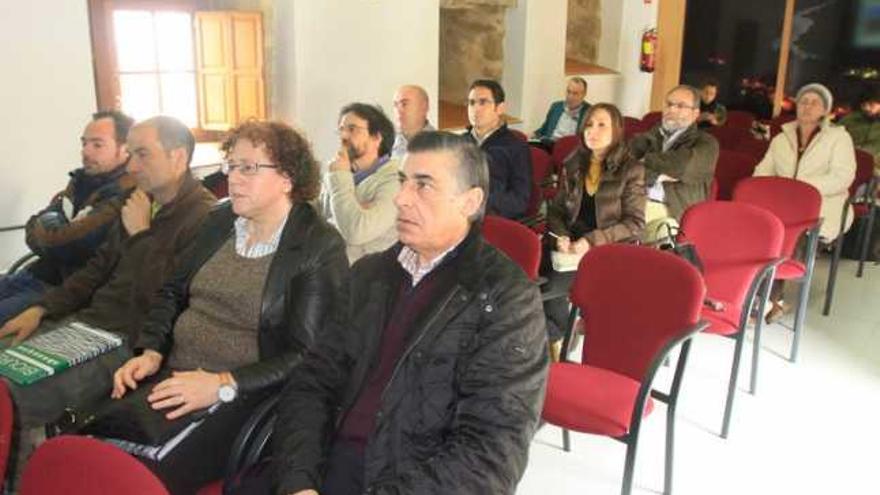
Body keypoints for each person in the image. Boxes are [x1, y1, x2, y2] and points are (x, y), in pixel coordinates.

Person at [272, 131, 548, 495]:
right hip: (326, 465)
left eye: (423, 186)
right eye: (403, 182)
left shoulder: (507, 300)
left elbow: (490, 452)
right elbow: (313, 382)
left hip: (413, 479)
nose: (401, 199)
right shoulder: (368, 275)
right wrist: (298, 480)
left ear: (470, 201)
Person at [109, 120, 349, 493]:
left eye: (249, 168)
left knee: (134, 477)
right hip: (175, 374)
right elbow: (173, 291)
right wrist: (152, 349)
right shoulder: (220, 220)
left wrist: (223, 384)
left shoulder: (318, 246)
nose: (233, 179)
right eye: (231, 166)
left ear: (287, 178)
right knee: (95, 446)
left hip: (242, 395)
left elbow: (308, 355)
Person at [0, 116, 216, 432]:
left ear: (178, 157)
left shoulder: (207, 217)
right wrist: (41, 308)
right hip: (87, 323)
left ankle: (28, 475)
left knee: (11, 395)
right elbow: (95, 270)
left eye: (143, 154)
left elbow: (169, 299)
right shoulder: (140, 202)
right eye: (131, 154)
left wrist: (142, 235)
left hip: (128, 341)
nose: (131, 167)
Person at [0, 110, 135, 325]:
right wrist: (52, 233)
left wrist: (49, 232)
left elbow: (71, 247)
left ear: (125, 150)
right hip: (33, 274)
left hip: (57, 291)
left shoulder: (122, 194)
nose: (86, 152)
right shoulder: (80, 181)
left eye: (97, 145)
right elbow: (33, 225)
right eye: (84, 143)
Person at [543, 103, 646, 358]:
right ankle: (559, 335)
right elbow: (556, 211)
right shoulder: (573, 163)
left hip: (609, 249)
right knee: (535, 282)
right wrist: (561, 236)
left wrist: (591, 241)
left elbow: (634, 223)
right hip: (571, 247)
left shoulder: (631, 170)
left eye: (602, 125)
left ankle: (560, 338)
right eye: (589, 124)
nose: (593, 131)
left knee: (551, 288)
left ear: (617, 131)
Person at [754, 83, 856, 322]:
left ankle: (771, 300)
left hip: (823, 207)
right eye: (803, 101)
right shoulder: (781, 139)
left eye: (814, 103)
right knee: (761, 231)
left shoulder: (839, 139)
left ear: (825, 110)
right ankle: (749, 294)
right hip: (782, 205)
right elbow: (762, 172)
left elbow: (843, 177)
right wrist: (771, 191)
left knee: (794, 236)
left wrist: (801, 187)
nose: (807, 106)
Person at [630, 85, 719, 238]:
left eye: (680, 106)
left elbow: (681, 167)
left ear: (695, 113)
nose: (672, 110)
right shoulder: (648, 137)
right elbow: (621, 166)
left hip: (672, 211)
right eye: (669, 104)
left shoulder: (707, 143)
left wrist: (646, 160)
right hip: (633, 203)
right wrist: (658, 176)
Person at [320, 103, 400, 263]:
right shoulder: (340, 174)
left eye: (352, 129)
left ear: (377, 137)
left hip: (367, 279)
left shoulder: (394, 182)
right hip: (330, 272)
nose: (344, 136)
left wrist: (340, 178)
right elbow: (321, 224)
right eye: (341, 129)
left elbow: (356, 231)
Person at [464, 79, 532, 220]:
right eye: (471, 103)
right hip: (455, 217)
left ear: (500, 108)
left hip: (490, 219)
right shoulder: (458, 143)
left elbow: (519, 202)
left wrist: (480, 201)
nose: (475, 109)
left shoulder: (516, 147)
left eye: (483, 102)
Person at [533, 77, 590, 144]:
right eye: (568, 92)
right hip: (550, 145)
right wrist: (531, 135)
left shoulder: (589, 112)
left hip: (571, 150)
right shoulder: (556, 107)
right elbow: (544, 129)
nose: (570, 96)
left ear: (583, 94)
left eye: (575, 93)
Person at [839, 86, 880, 173]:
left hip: (874, 169)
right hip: (847, 165)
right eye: (864, 105)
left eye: (871, 104)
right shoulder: (849, 120)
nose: (867, 108)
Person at [391, 85, 434, 158]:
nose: (398, 110)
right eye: (395, 105)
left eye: (404, 104)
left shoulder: (444, 144)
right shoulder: (386, 144)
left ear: (424, 107)